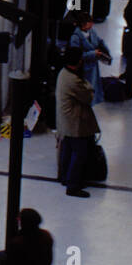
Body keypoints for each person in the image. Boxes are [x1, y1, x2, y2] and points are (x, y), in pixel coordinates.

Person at [56, 45, 100, 197]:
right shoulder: (74, 80)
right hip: (75, 122)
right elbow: (89, 96)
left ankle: (64, 178)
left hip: (65, 121)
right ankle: (73, 185)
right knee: (80, 153)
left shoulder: (63, 73)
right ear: (79, 61)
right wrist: (89, 85)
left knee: (67, 149)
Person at [67, 11, 111, 104]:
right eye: (89, 22)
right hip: (84, 69)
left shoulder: (92, 31)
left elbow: (99, 41)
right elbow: (76, 55)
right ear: (83, 24)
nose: (92, 24)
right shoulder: (75, 37)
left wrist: (105, 50)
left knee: (92, 89)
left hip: (93, 67)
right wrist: (93, 53)